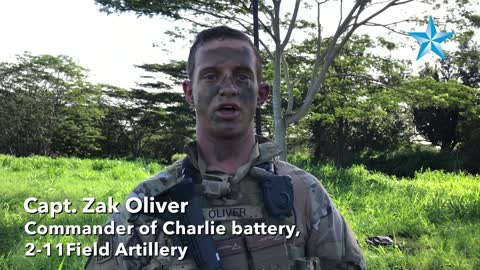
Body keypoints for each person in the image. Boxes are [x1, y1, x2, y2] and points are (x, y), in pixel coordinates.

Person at [85, 26, 366, 270]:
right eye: (210, 76)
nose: (228, 88)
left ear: (262, 94)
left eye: (242, 76)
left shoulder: (304, 192)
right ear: (188, 92)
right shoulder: (148, 202)